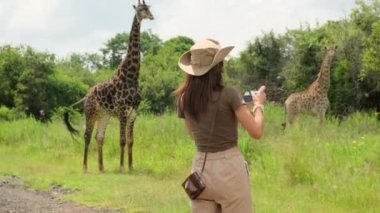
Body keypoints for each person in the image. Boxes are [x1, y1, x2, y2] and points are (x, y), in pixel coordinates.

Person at [174, 38, 266, 213]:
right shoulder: (230, 95)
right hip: (229, 169)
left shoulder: (184, 99)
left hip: (200, 168)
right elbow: (256, 132)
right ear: (218, 67)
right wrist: (259, 105)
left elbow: (193, 134)